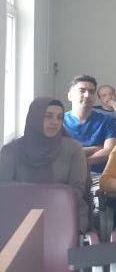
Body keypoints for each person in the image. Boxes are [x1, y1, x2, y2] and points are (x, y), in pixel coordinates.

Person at [0, 98, 90, 232]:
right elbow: (4, 187)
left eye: (59, 118)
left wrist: (38, 197)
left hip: (63, 214)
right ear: (34, 118)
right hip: (18, 213)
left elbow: (76, 191)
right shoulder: (12, 150)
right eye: (48, 116)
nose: (54, 122)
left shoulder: (73, 149)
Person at [62, 75, 116, 174]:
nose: (87, 95)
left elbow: (110, 151)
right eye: (82, 91)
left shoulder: (106, 120)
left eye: (91, 92)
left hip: (98, 177)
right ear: (70, 96)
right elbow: (60, 154)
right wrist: (94, 149)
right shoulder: (59, 121)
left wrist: (80, 163)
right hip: (66, 175)